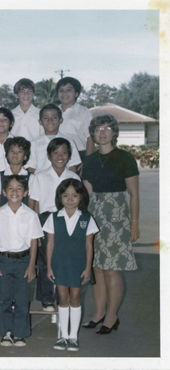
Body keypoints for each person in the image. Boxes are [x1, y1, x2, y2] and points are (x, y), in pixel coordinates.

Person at [81, 113, 139, 334]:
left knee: (111, 269)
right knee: (96, 268)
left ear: (114, 132)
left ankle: (112, 316)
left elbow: (133, 194)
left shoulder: (125, 158)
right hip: (94, 215)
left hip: (117, 217)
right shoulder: (89, 161)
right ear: (93, 134)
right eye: (98, 129)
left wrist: (134, 223)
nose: (102, 132)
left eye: (107, 128)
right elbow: (87, 193)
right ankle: (98, 313)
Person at [0, 175, 43, 347]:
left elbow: (34, 241)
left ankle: (20, 333)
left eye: (19, 188)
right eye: (10, 188)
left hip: (23, 260)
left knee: (21, 298)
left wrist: (31, 265)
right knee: (4, 298)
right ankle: (7, 333)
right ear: (4, 192)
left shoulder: (31, 215)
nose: (14, 192)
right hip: (4, 260)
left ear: (25, 192)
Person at [45, 179, 98, 351]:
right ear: (59, 197)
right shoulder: (54, 218)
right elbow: (50, 244)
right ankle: (63, 336)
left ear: (81, 197)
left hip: (78, 265)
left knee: (75, 298)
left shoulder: (86, 218)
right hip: (59, 264)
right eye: (66, 195)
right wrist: (49, 266)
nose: (70, 199)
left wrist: (88, 268)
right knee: (62, 299)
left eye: (74, 195)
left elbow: (89, 245)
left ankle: (73, 337)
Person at [29, 138, 81, 311]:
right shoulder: (39, 177)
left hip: (67, 219)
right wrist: (36, 231)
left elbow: (79, 203)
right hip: (45, 220)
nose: (60, 156)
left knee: (64, 259)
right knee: (45, 260)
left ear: (69, 156)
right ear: (48, 155)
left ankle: (62, 297)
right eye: (56, 153)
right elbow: (34, 206)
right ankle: (46, 298)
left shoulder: (73, 177)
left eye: (64, 153)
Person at [26, 104, 81, 174]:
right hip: (40, 183)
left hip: (63, 182)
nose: (50, 120)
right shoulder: (34, 143)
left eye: (54, 117)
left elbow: (72, 167)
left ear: (60, 120)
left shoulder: (69, 141)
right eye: (46, 118)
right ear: (40, 122)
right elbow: (31, 168)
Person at [56, 77, 95, 161]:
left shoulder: (84, 112)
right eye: (61, 90)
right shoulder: (53, 112)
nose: (64, 93)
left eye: (68, 90)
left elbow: (90, 138)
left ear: (76, 93)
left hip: (79, 155)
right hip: (56, 155)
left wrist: (87, 162)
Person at [0, 137, 33, 210]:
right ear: (7, 156)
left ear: (25, 156)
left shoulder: (31, 177)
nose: (15, 154)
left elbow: (31, 203)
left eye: (19, 151)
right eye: (11, 151)